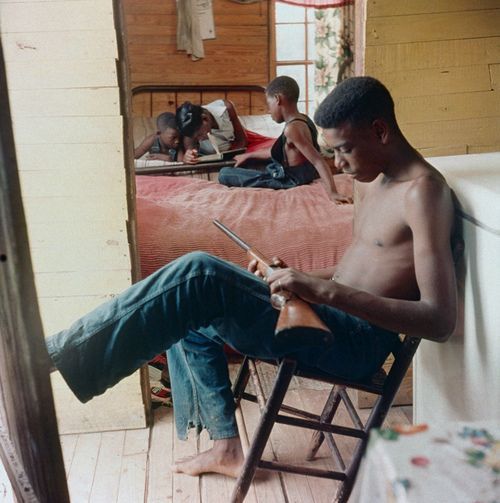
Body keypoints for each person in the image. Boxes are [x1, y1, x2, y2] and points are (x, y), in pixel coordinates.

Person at [46, 76, 458, 479]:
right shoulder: (371, 179)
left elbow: (438, 321)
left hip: (354, 343)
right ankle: (227, 449)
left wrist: (323, 291)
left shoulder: (423, 193)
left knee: (198, 272)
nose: (337, 164)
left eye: (345, 150)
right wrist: (296, 278)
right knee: (189, 310)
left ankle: (57, 354)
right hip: (323, 312)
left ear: (380, 130)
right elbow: (357, 267)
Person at [218, 76, 351, 203]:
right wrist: (248, 155)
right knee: (250, 163)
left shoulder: (292, 129)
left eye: (268, 105)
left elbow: (318, 160)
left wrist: (333, 193)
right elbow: (277, 150)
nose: (269, 111)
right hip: (301, 173)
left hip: (289, 180)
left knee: (224, 174)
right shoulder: (303, 119)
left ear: (277, 99)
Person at [176, 99, 247, 163]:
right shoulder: (189, 130)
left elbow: (242, 140)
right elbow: (189, 155)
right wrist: (188, 157)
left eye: (200, 134)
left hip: (234, 152)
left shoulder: (225, 109)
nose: (200, 139)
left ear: (205, 118)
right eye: (196, 138)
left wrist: (232, 156)